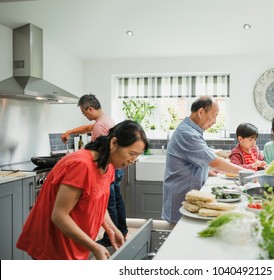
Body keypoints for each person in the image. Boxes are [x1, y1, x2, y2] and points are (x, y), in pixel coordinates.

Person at [16, 120, 149, 260]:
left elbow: (98, 201)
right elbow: (59, 215)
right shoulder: (81, 165)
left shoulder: (108, 166)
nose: (133, 160)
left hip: (74, 245)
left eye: (137, 155)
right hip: (53, 247)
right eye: (132, 153)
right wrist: (94, 246)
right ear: (114, 143)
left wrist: (111, 228)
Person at [162, 96, 250, 224]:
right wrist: (247, 173)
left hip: (187, 195)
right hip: (182, 197)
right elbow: (215, 162)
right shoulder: (188, 134)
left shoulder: (191, 130)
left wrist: (205, 172)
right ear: (201, 112)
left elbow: (190, 161)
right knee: (180, 236)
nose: (215, 121)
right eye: (214, 115)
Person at [61, 94, 127, 247]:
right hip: (115, 168)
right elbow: (88, 128)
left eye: (84, 113)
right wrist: (70, 131)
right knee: (117, 200)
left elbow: (101, 151)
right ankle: (121, 230)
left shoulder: (100, 125)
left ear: (90, 108)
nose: (84, 115)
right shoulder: (105, 120)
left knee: (108, 203)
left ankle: (109, 238)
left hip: (108, 169)